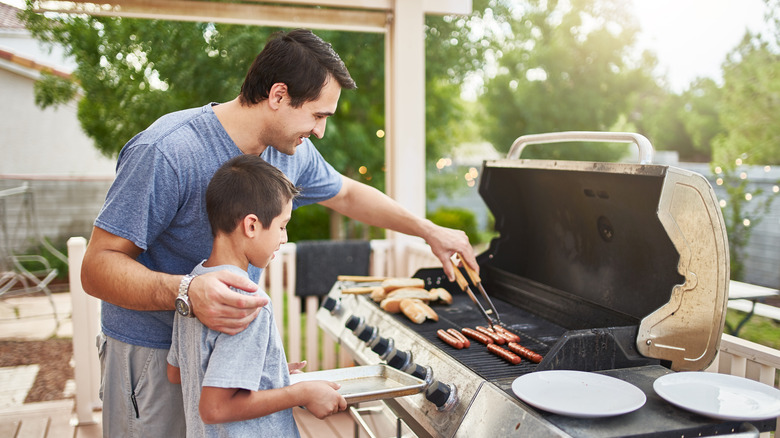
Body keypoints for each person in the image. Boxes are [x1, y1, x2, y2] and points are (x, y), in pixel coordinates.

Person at [81, 28, 477, 437]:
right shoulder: (169, 151)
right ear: (278, 96)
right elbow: (96, 267)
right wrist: (187, 293)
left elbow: (348, 195)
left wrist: (428, 231)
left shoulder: (291, 151)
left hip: (220, 360)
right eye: (317, 115)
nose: (321, 131)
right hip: (150, 355)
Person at [167, 154, 346, 437]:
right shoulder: (248, 300)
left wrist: (269, 373)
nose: (284, 238)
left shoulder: (195, 285)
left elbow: (178, 372)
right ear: (251, 225)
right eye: (282, 226)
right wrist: (299, 393)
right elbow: (215, 408)